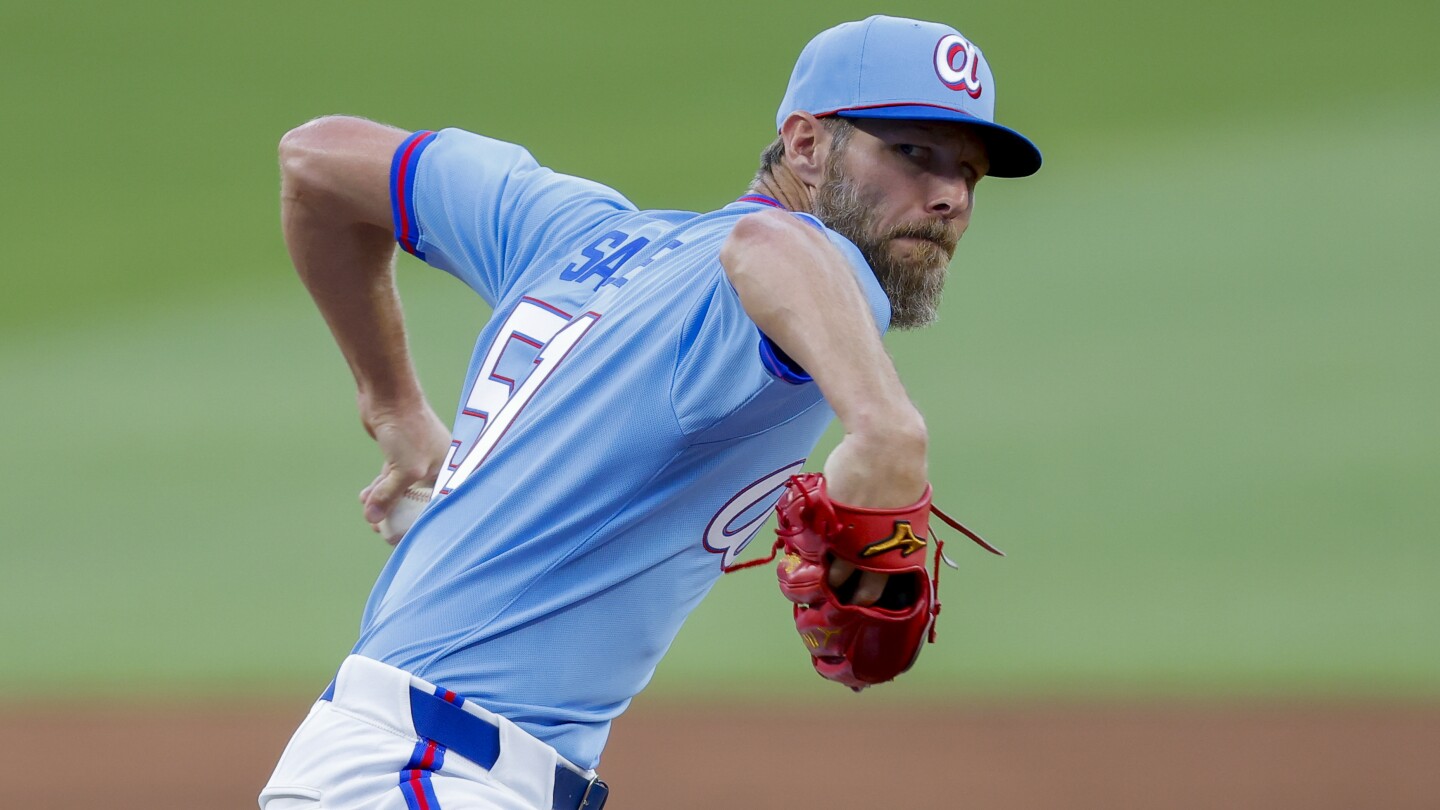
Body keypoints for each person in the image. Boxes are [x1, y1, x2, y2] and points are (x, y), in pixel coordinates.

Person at [262, 14, 1040, 810]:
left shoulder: (573, 232)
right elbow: (770, 248)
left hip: (401, 762)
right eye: (912, 153)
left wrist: (393, 407)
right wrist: (886, 428)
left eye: (969, 174)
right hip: (427, 777)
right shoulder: (814, 262)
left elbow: (317, 161)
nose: (947, 196)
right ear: (805, 144)